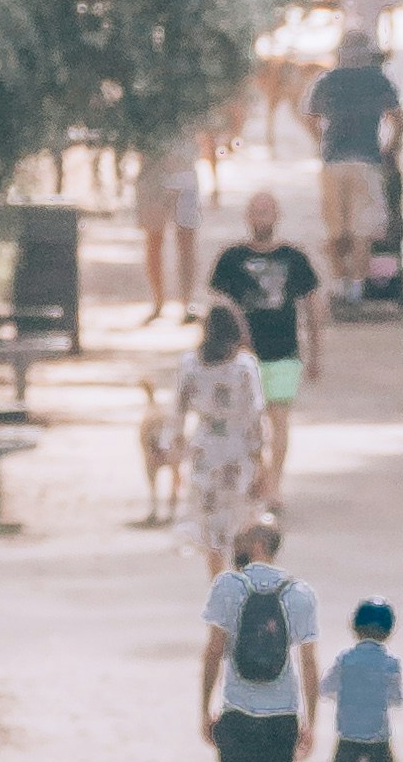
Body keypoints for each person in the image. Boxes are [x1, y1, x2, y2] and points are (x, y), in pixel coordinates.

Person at [201, 512, 320, 762]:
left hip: (238, 710)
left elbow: (214, 650)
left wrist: (205, 706)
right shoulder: (299, 593)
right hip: (282, 715)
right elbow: (308, 662)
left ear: (253, 545)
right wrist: (311, 719)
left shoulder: (228, 587)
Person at [206, 192, 323, 499]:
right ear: (248, 216)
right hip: (243, 356)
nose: (262, 218)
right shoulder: (231, 259)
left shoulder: (294, 258)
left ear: (277, 215)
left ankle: (274, 485)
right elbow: (218, 304)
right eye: (256, 211)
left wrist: (315, 353)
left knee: (279, 419)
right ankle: (257, 477)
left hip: (283, 353)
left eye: (267, 211)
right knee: (248, 423)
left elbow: (312, 305)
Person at [168, 300, 266, 566]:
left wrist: (176, 458)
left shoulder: (190, 364)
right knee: (239, 518)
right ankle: (242, 579)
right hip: (237, 448)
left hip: (205, 447)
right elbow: (255, 415)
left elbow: (177, 412)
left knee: (211, 525)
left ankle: (217, 583)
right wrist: (261, 460)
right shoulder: (245, 366)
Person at [308, 28, 403, 288]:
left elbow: (311, 115)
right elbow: (398, 118)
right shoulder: (377, 80)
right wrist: (391, 147)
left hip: (333, 160)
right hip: (367, 159)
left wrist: (319, 140)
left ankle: (341, 282)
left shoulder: (328, 80)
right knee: (362, 228)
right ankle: (358, 287)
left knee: (336, 229)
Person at [317, 597, 403, 762]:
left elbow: (327, 688)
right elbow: (396, 698)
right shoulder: (390, 664)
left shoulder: (345, 660)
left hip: (349, 732)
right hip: (377, 733)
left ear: (355, 628)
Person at [133, 136, 203, 324]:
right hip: (151, 175)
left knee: (186, 241)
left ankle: (187, 302)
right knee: (153, 240)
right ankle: (157, 301)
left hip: (184, 171)